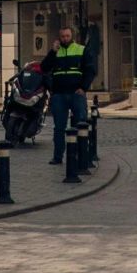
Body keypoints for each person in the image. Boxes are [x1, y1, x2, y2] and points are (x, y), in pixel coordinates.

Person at [43, 22, 95, 166]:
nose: (65, 38)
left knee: (81, 126)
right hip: (59, 95)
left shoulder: (81, 49)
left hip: (76, 94)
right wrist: (52, 52)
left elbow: (91, 71)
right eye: (62, 36)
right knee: (59, 128)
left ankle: (82, 156)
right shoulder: (55, 51)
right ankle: (58, 156)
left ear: (72, 36)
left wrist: (84, 88)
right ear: (59, 37)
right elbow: (44, 67)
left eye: (67, 36)